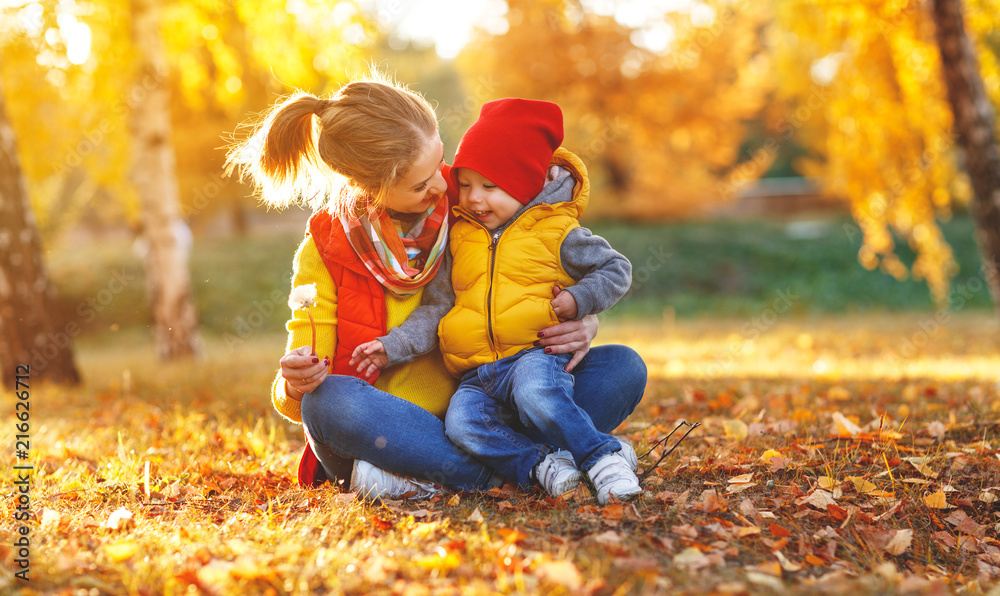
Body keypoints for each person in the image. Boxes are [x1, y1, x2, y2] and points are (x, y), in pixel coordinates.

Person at [226, 71, 647, 499]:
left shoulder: (471, 205)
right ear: (371, 189)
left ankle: (460, 475)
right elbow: (297, 389)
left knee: (621, 368)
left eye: (440, 164)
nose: (443, 185)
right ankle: (502, 472)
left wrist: (584, 319)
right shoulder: (324, 251)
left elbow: (532, 267)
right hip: (390, 430)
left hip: (484, 403)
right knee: (327, 401)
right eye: (419, 184)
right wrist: (295, 382)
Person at [353, 99, 642, 504]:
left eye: (490, 186)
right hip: (478, 376)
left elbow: (616, 270)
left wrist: (580, 301)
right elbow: (437, 308)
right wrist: (393, 345)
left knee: (537, 392)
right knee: (462, 423)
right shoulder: (460, 236)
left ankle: (601, 458)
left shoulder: (558, 230)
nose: (474, 198)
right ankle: (540, 465)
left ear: (525, 183)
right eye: (466, 184)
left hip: (532, 356)